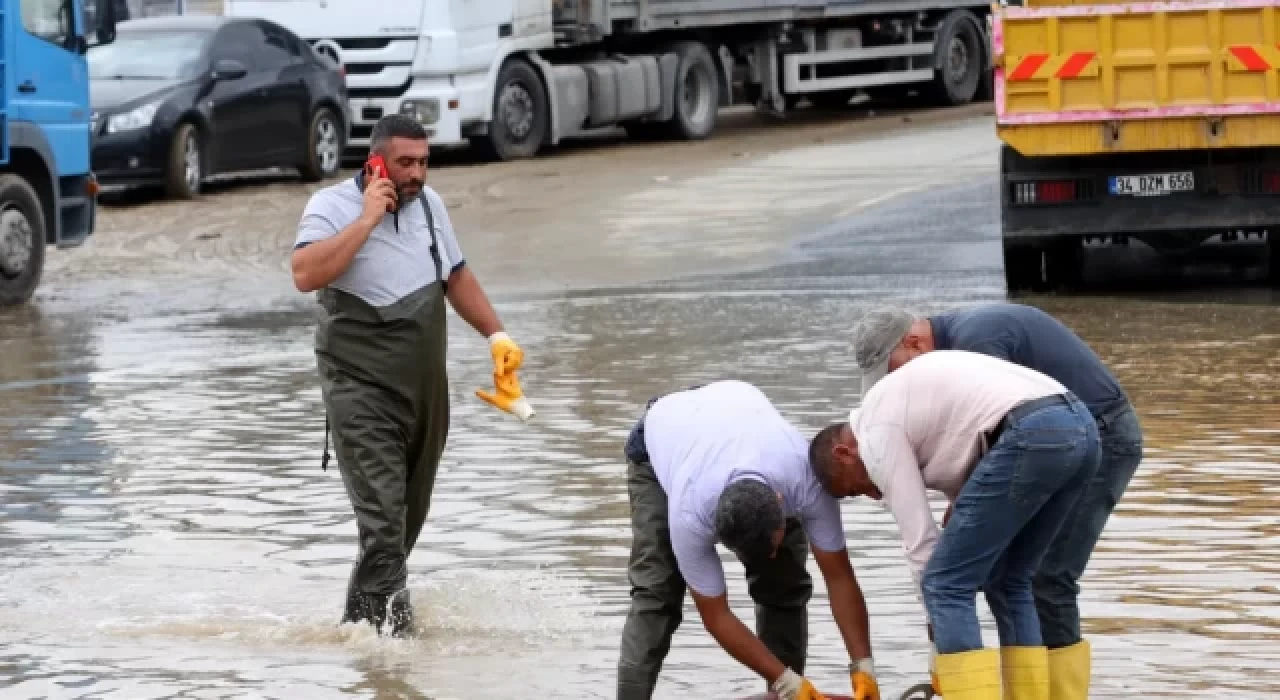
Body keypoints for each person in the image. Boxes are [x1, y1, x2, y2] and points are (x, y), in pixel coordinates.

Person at [291, 114, 526, 637]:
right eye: (405, 164)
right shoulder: (330, 207)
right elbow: (305, 274)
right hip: (359, 390)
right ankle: (398, 651)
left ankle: (356, 638)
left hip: (424, 395)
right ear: (374, 161)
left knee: (402, 528)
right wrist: (368, 219)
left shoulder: (430, 206)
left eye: (423, 163)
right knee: (383, 531)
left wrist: (497, 336)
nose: (417, 175)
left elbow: (455, 274)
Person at [849, 303, 1143, 699]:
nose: (894, 382)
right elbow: (986, 436)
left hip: (1097, 433)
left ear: (914, 342)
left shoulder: (978, 340)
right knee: (1013, 578)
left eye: (892, 369)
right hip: (1074, 429)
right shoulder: (957, 343)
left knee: (1002, 580)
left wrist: (939, 637)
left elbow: (1003, 428)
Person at [808, 350, 1102, 700]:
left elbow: (921, 545)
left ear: (845, 453)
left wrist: (938, 651)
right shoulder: (901, 407)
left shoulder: (875, 432)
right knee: (1010, 580)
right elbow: (969, 463)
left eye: (857, 488)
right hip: (1081, 429)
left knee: (944, 584)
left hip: (1031, 432)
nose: (874, 496)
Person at [617, 380, 878, 700]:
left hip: (728, 412)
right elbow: (716, 616)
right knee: (657, 593)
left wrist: (863, 666)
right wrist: (787, 681)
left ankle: (787, 698)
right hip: (662, 438)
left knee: (783, 583)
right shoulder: (690, 515)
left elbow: (839, 578)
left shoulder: (806, 481)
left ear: (782, 505)